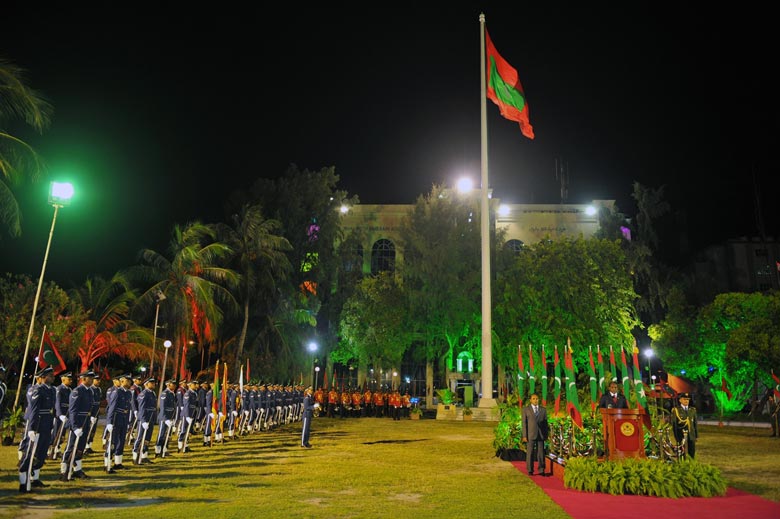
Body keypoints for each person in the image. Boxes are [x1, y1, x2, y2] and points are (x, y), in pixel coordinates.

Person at [18, 367, 55, 492]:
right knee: (29, 453)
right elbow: (34, 410)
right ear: (41, 377)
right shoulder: (36, 390)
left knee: (41, 452)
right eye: (50, 376)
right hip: (37, 424)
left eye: (52, 375)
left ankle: (35, 479)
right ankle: (23, 482)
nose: (52, 377)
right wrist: (32, 428)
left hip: (46, 424)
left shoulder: (50, 390)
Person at [60, 370, 95, 481]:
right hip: (77, 422)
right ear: (83, 379)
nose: (92, 380)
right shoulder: (77, 391)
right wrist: (74, 427)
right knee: (70, 447)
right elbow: (73, 410)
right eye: (90, 378)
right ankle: (64, 471)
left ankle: (77, 470)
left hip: (85, 421)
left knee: (80, 447)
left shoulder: (90, 391)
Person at [104, 373, 133, 472]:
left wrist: (129, 421)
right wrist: (109, 422)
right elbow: (112, 408)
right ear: (122, 381)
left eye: (130, 381)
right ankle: (107, 464)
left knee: (121, 442)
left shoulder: (128, 393)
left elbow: (128, 408)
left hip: (124, 419)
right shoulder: (117, 392)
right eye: (127, 381)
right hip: (116, 419)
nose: (129, 382)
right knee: (113, 442)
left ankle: (118, 462)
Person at [522, 393, 548, 476]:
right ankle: (530, 469)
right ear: (530, 400)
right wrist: (524, 435)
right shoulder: (526, 410)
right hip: (530, 434)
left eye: (537, 399)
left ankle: (541, 469)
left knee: (541, 453)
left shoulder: (543, 410)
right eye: (533, 399)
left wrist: (546, 435)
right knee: (530, 452)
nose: (535, 400)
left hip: (541, 434)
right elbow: (524, 423)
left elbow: (545, 423)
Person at [133, 377, 156, 464]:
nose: (153, 384)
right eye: (151, 383)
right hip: (144, 419)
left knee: (147, 438)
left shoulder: (152, 393)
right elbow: (141, 408)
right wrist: (143, 421)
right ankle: (135, 456)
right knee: (139, 437)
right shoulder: (143, 394)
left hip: (150, 419)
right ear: (146, 384)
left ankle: (144, 456)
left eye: (153, 383)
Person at [672, 392, 698, 458]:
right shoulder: (676, 410)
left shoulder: (692, 410)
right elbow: (674, 425)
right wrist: (677, 438)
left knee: (692, 453)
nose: (686, 401)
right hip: (681, 436)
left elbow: (695, 424)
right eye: (684, 399)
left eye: (688, 400)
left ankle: (691, 465)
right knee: (682, 454)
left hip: (691, 435)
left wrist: (696, 435)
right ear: (680, 400)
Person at [155, 379, 177, 457]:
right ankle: (157, 451)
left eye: (175, 384)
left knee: (168, 435)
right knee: (161, 434)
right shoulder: (165, 393)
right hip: (164, 417)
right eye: (172, 384)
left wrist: (173, 418)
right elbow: (163, 407)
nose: (174, 386)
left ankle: (165, 449)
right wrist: (165, 419)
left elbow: (173, 407)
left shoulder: (172, 393)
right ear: (168, 385)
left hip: (170, 417)